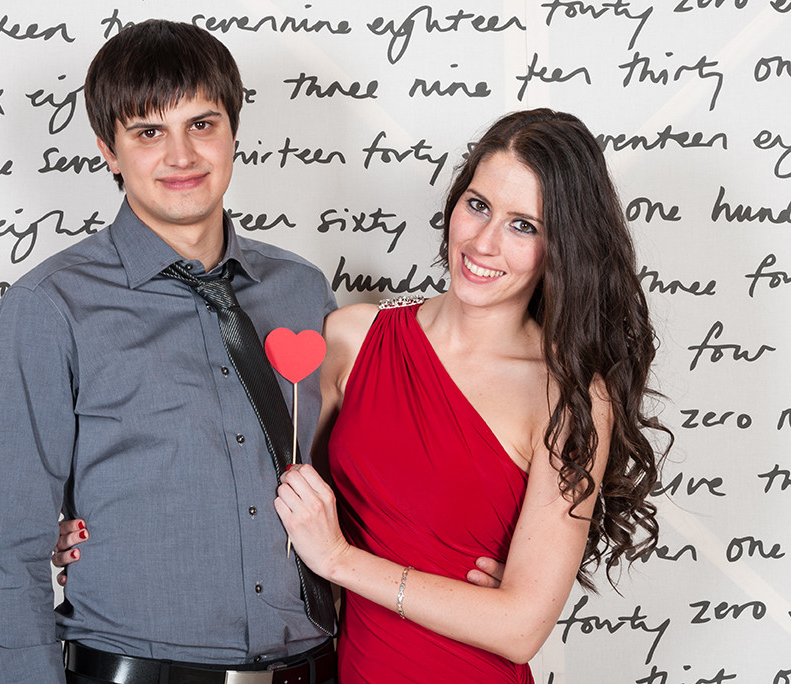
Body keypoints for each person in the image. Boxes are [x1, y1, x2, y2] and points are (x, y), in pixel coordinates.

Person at [0, 17, 502, 684]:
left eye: (202, 123)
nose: (181, 155)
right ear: (108, 150)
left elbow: (358, 476)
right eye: (148, 131)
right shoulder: (49, 309)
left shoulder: (303, 291)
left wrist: (466, 559)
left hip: (318, 668)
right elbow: (3, 557)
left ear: (234, 130)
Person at [272, 109, 673, 682]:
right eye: (478, 205)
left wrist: (339, 559)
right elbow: (268, 493)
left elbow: (519, 629)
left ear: (563, 247)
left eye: (524, 225)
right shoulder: (354, 338)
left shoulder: (573, 396)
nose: (484, 243)